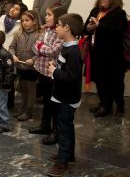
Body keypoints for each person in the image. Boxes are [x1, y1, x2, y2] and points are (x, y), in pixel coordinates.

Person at [45, 13, 84, 177]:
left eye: (59, 25)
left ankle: (62, 163)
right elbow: (65, 69)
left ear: (67, 28)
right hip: (62, 95)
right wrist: (57, 66)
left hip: (67, 98)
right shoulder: (67, 47)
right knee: (66, 127)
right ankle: (68, 156)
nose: (56, 28)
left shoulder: (74, 52)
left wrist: (54, 71)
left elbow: (71, 77)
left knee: (63, 130)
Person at [83, 0, 128, 117]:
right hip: (96, 53)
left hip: (112, 55)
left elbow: (119, 32)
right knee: (100, 80)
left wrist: (99, 25)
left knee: (115, 82)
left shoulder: (119, 13)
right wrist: (89, 28)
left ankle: (118, 107)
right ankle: (104, 104)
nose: (102, 0)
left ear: (113, 0)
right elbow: (85, 28)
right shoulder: (95, 11)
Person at [28, 5, 67, 146]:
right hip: (42, 70)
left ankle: (55, 131)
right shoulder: (45, 30)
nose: (46, 17)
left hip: (52, 73)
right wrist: (40, 46)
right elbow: (34, 45)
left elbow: (52, 51)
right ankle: (45, 125)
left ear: (57, 17)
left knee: (54, 102)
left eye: (49, 14)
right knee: (46, 100)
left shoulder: (60, 33)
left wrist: (40, 46)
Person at [9, 10, 41, 121]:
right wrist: (13, 55)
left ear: (34, 21)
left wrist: (33, 60)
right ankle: (22, 108)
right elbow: (12, 47)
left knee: (30, 89)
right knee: (22, 89)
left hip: (32, 68)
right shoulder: (18, 34)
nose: (24, 23)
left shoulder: (39, 35)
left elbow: (41, 53)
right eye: (22, 21)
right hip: (20, 67)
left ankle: (29, 111)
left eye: (27, 20)